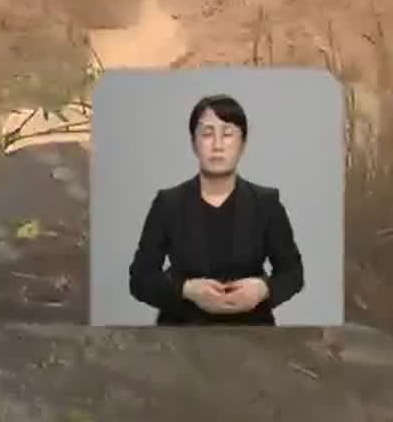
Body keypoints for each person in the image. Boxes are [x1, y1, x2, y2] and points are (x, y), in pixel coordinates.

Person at [128, 93, 305, 325]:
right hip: (181, 335)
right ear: (194, 143)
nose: (218, 145)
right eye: (207, 134)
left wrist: (263, 289)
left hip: (253, 336)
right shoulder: (168, 203)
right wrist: (186, 289)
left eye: (228, 134)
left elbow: (293, 273)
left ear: (243, 144)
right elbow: (140, 278)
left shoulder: (266, 203)